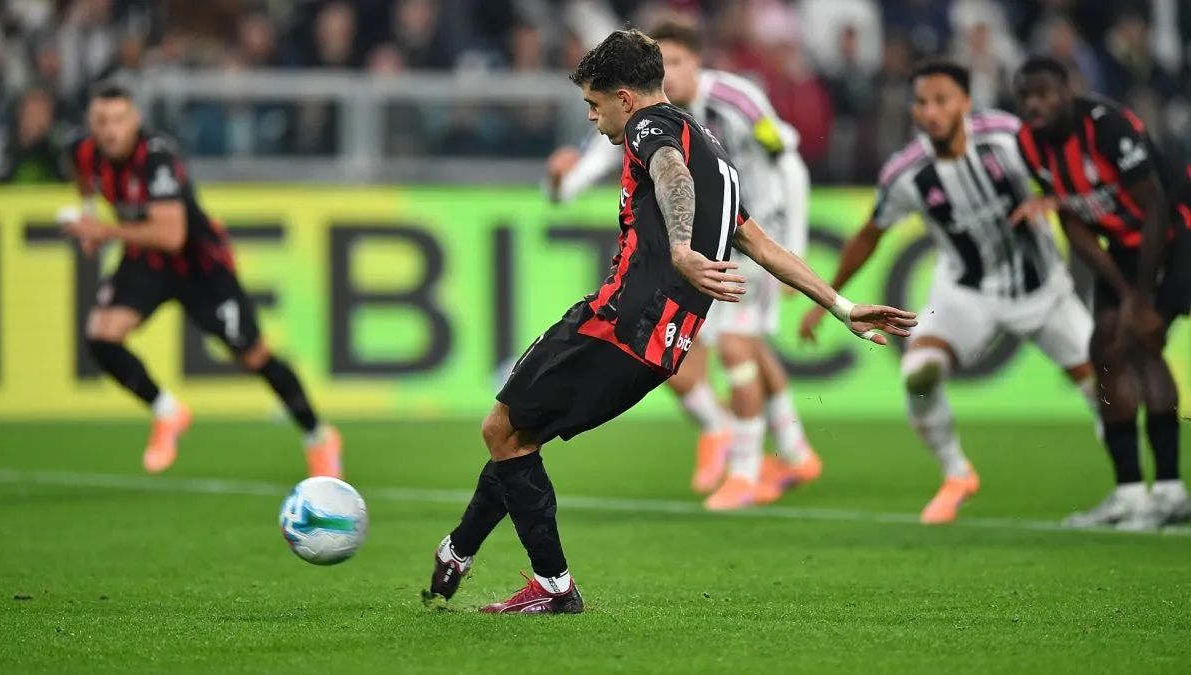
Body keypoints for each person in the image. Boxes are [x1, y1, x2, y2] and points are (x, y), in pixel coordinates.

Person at [426, 29, 915, 615]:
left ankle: (553, 587)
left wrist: (681, 247)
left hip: (621, 319)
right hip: (663, 346)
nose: (594, 119)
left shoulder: (650, 128)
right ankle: (458, 551)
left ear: (625, 99)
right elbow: (761, 244)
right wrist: (841, 306)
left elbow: (669, 173)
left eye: (594, 105)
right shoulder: (716, 152)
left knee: (499, 426)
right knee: (516, 436)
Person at [800, 61, 1100, 525]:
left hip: (1043, 290)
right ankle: (957, 473)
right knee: (918, 374)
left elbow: (1067, 172)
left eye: (942, 100)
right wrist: (827, 301)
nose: (931, 112)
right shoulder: (905, 173)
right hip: (967, 293)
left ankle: (1132, 491)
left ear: (965, 102)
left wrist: (1053, 197)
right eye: (922, 102)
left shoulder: (1008, 138)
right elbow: (869, 234)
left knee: (1101, 388)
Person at [544, 20, 819, 510]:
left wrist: (793, 244)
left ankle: (744, 469)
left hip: (751, 234)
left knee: (736, 346)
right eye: (662, 63)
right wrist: (559, 184)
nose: (669, 74)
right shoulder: (641, 116)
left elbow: (790, 163)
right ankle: (794, 452)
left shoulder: (738, 100)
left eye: (678, 63)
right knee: (742, 350)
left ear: (697, 63)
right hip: (703, 242)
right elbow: (585, 170)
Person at [60, 83, 343, 479]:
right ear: (91, 124)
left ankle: (318, 436)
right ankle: (168, 412)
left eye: (119, 120)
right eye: (102, 121)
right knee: (101, 337)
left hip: (199, 265)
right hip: (146, 261)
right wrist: (87, 213)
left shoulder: (157, 157)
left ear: (135, 120)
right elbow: (81, 175)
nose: (110, 130)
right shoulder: (83, 150)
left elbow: (171, 236)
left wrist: (102, 231)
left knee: (253, 355)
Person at [1011, 56, 1191, 529]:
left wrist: (1142, 301)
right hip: (1126, 246)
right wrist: (1122, 289)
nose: (1034, 104)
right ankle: (1130, 493)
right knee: (1105, 349)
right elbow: (1073, 218)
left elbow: (1155, 208)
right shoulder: (1028, 144)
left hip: (1176, 233)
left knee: (1140, 341)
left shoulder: (1106, 127)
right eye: (1026, 96)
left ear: (1066, 93)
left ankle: (1171, 490)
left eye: (1044, 94)